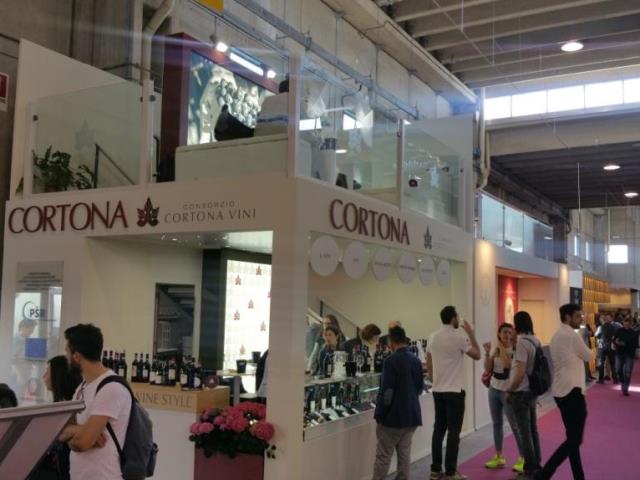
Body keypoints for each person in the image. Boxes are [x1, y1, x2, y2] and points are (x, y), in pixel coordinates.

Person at [58, 324, 132, 480]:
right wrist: (80, 430)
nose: (66, 357)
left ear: (76, 357)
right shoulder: (81, 388)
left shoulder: (110, 388)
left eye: (67, 352)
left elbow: (81, 443)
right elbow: (60, 432)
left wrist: (75, 435)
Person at [535, 304, 594, 480]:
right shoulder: (572, 336)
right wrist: (582, 338)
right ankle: (544, 474)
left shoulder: (556, 336)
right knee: (575, 440)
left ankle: (578, 476)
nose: (581, 319)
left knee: (572, 439)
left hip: (561, 392)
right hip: (572, 392)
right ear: (568, 317)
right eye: (578, 316)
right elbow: (589, 356)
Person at [426, 306, 481, 480]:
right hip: (454, 391)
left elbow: (428, 362)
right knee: (453, 433)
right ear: (453, 318)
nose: (459, 319)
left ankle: (435, 470)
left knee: (438, 430)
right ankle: (450, 472)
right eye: (457, 316)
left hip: (438, 390)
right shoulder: (459, 337)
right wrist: (471, 333)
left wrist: (435, 380)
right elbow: (477, 355)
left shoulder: (432, 337)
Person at [372, 326, 424, 480]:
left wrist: (380, 414)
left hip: (393, 418)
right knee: (404, 455)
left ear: (391, 341)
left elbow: (387, 393)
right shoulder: (415, 360)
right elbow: (420, 388)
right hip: (412, 415)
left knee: (383, 456)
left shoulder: (390, 361)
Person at [31, 356, 83, 480]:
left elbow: (60, 434)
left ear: (57, 376)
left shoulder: (73, 406)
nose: (44, 376)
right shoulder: (61, 405)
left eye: (47, 371)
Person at [504, 311, 542, 479]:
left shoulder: (522, 343)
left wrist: (509, 390)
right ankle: (536, 464)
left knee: (524, 432)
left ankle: (530, 469)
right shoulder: (535, 340)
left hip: (520, 392)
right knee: (533, 430)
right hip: (532, 390)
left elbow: (519, 373)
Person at [482, 323, 524, 473]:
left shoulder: (516, 350)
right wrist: (487, 353)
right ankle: (499, 456)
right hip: (494, 390)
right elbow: (488, 369)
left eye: (509, 332)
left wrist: (505, 352)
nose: (507, 335)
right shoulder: (495, 349)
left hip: (508, 392)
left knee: (515, 425)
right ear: (499, 334)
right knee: (497, 424)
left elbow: (512, 369)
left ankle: (523, 458)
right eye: (504, 332)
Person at [612, 317, 639, 396]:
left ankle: (625, 388)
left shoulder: (634, 333)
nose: (626, 325)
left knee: (628, 372)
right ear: (623, 323)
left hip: (629, 354)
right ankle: (623, 382)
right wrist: (616, 342)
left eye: (628, 324)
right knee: (618, 370)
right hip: (619, 353)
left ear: (630, 324)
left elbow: (636, 345)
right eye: (625, 324)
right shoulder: (618, 330)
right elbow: (614, 340)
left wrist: (625, 344)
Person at [595, 313, 619, 383]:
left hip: (603, 346)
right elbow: (615, 336)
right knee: (612, 364)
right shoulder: (613, 327)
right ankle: (615, 379)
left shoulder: (601, 327)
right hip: (611, 346)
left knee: (601, 363)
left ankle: (601, 379)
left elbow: (597, 335)